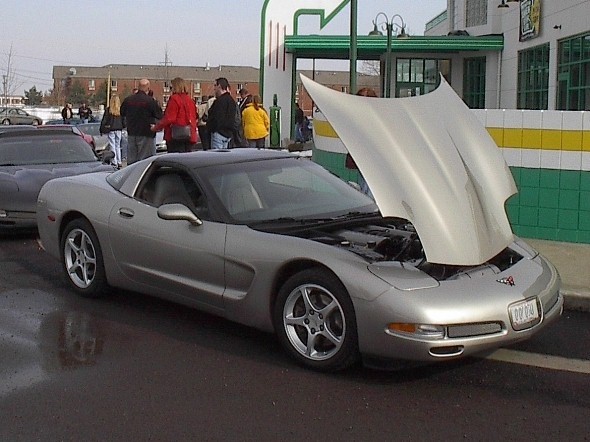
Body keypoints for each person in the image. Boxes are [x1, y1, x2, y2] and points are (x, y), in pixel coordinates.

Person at [345, 87, 378, 197]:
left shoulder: (373, 117)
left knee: (369, 189)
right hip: (363, 159)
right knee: (365, 187)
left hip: (372, 160)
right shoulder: (358, 117)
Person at [120, 78, 163, 164]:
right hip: (147, 133)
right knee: (146, 161)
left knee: (132, 161)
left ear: (138, 86)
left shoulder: (128, 100)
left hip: (132, 132)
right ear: (148, 88)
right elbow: (159, 115)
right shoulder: (150, 101)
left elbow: (122, 112)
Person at [151, 77, 198, 153]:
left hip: (175, 135)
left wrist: (156, 127)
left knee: (175, 157)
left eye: (171, 87)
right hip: (189, 135)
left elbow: (169, 118)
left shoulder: (174, 99)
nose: (170, 89)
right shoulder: (190, 100)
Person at [207, 77, 236, 149]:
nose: (214, 88)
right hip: (228, 134)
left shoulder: (219, 101)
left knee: (216, 155)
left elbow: (217, 118)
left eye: (215, 85)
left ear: (219, 86)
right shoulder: (232, 101)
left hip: (218, 133)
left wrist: (212, 128)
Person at [100, 95, 125, 169]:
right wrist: (123, 126)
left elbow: (104, 120)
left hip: (111, 129)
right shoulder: (120, 110)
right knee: (118, 146)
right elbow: (124, 120)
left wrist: (102, 128)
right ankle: (119, 161)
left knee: (112, 145)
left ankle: (114, 161)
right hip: (119, 129)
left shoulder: (109, 110)